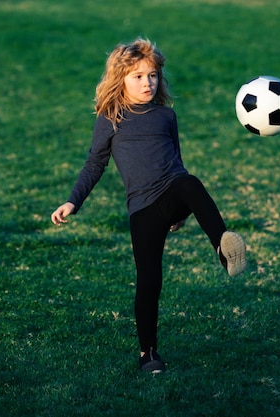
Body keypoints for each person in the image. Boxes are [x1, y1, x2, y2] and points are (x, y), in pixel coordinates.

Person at [50, 38, 247, 373]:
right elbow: (94, 165)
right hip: (143, 209)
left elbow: (177, 162)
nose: (147, 83)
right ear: (121, 80)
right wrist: (73, 201)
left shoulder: (166, 116)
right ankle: (148, 353)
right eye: (138, 76)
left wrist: (183, 210)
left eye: (152, 75)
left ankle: (222, 247)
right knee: (149, 280)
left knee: (190, 182)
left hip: (173, 190)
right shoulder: (110, 118)